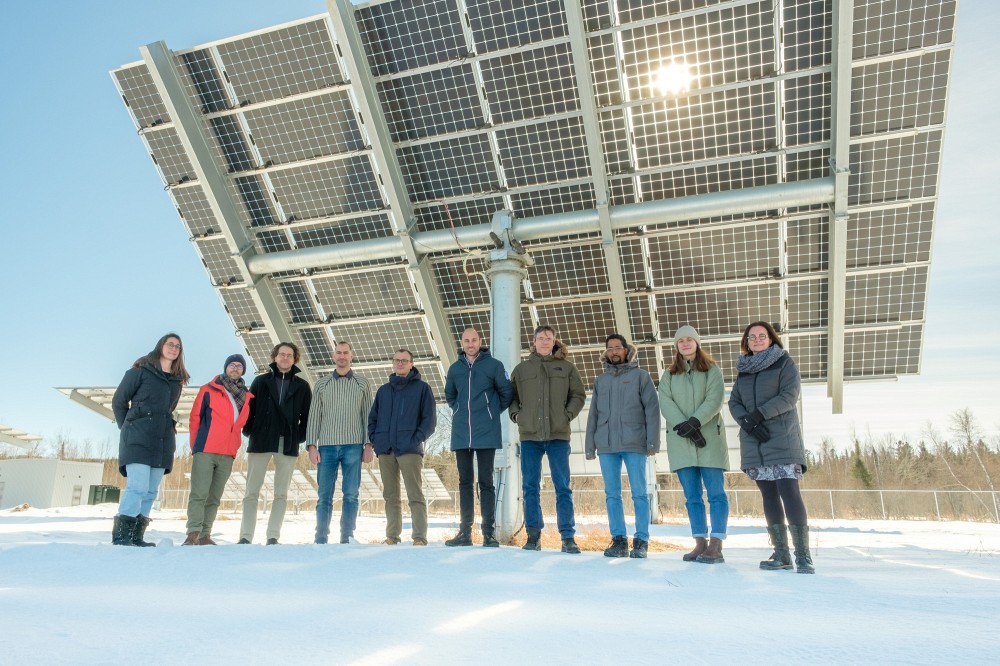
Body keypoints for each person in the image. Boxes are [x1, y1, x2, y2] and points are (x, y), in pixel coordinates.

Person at [729, 321, 815, 574]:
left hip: (782, 437)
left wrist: (759, 415)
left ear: (771, 339)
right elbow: (734, 401)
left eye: (762, 336)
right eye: (752, 337)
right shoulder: (743, 370)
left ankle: (803, 556)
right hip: (755, 440)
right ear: (746, 341)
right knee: (768, 496)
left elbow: (789, 396)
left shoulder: (784, 363)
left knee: (789, 492)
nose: (756, 340)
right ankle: (781, 553)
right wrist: (747, 421)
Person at [509, 325, 586, 554]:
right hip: (530, 436)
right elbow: (511, 397)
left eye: (549, 338)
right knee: (530, 486)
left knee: (562, 486)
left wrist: (567, 415)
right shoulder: (521, 370)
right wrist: (517, 415)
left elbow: (578, 395)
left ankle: (568, 537)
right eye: (540, 338)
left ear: (554, 342)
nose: (544, 341)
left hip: (558, 435)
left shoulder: (567, 368)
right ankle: (533, 535)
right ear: (533, 342)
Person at [585, 334, 660, 559]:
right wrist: (590, 444)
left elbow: (652, 411)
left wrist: (652, 442)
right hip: (606, 444)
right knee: (612, 494)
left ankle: (641, 540)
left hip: (634, 442)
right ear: (606, 353)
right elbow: (593, 415)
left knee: (639, 493)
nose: (614, 351)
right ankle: (618, 540)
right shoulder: (601, 381)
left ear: (627, 350)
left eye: (618, 347)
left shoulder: (641, 377)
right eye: (610, 348)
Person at [110, 333, 189, 547]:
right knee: (137, 486)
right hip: (137, 437)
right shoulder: (140, 370)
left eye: (178, 347)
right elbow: (118, 401)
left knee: (151, 489)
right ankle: (122, 537)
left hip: (162, 440)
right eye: (170, 344)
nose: (174, 348)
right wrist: (128, 427)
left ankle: (137, 537)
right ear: (160, 346)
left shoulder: (177, 380)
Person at [659, 325, 730, 564]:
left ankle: (716, 544)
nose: (686, 344)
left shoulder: (712, 370)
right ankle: (700, 542)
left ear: (697, 343)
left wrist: (696, 421)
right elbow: (665, 402)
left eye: (690, 340)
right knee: (692, 496)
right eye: (681, 341)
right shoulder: (669, 375)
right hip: (681, 441)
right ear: (676, 346)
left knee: (716, 493)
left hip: (709, 439)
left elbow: (715, 398)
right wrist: (683, 425)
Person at [443, 327, 513, 548]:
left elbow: (506, 394)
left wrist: (489, 412)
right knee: (465, 482)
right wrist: (461, 412)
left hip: (486, 433)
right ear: (462, 343)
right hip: (461, 433)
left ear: (480, 341)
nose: (470, 344)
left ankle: (488, 533)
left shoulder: (494, 366)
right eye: (466, 341)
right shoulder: (455, 369)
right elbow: (450, 396)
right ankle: (465, 532)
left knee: (486, 482)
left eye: (474, 340)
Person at [239, 342, 312, 545]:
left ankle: (273, 536)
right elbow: (249, 410)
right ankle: (245, 536)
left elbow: (306, 417)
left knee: (281, 493)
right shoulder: (260, 382)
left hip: (287, 443)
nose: (285, 358)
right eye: (282, 354)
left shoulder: (302, 386)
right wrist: (250, 432)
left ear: (294, 359)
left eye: (289, 355)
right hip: (261, 440)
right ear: (274, 357)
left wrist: (298, 437)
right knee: (251, 491)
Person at [306, 341, 373, 545]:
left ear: (351, 356)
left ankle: (347, 537)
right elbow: (314, 416)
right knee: (324, 495)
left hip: (353, 446)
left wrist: (368, 445)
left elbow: (368, 415)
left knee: (351, 494)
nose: (342, 356)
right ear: (333, 357)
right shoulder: (322, 384)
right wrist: (311, 445)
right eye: (338, 353)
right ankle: (320, 537)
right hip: (326, 446)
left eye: (346, 353)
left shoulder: (362, 383)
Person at [368, 349, 437, 546]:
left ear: (411, 364)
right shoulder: (383, 391)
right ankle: (392, 536)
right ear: (392, 363)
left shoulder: (422, 389)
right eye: (397, 360)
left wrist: (416, 438)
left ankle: (419, 537)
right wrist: (376, 439)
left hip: (409, 450)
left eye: (404, 361)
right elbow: (372, 419)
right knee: (390, 496)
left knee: (415, 494)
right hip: (386, 450)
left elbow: (429, 420)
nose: (400, 363)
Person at [184, 354, 253, 545]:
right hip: (206, 449)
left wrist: (235, 448)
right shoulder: (208, 390)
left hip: (228, 453)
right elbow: (195, 418)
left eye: (240, 366)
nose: (235, 368)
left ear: (243, 370)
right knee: (199, 494)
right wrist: (196, 447)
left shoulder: (246, 396)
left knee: (214, 497)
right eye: (232, 365)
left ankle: (205, 534)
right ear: (225, 367)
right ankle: (193, 533)